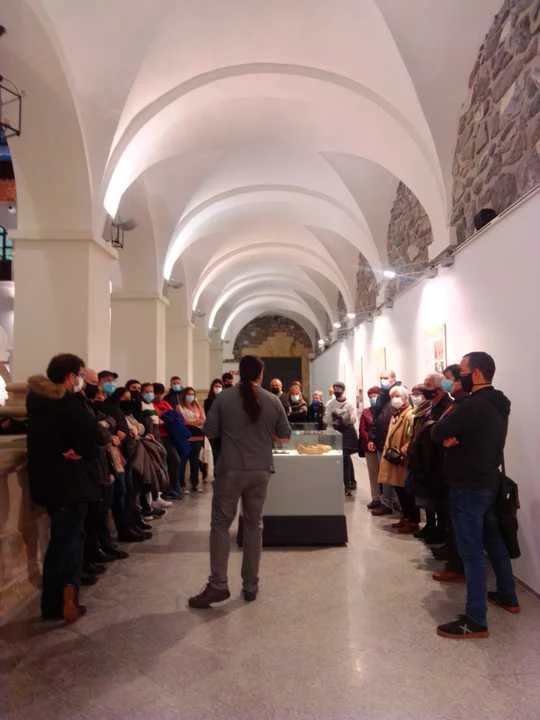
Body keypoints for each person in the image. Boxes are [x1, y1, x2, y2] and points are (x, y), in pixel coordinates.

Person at [189, 355, 291, 608]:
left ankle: (218, 584)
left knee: (221, 525)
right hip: (261, 470)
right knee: (254, 525)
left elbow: (209, 431)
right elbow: (284, 436)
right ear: (260, 374)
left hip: (231, 469)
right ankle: (251, 585)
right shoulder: (272, 400)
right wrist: (263, 435)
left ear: (239, 373)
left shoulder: (224, 398)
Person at [433, 351, 519, 639]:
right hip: (488, 482)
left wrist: (452, 438)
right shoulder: (499, 402)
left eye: (464, 371)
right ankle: (507, 595)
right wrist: (457, 437)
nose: (460, 376)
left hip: (468, 485)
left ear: (478, 374)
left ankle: (475, 619)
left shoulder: (472, 406)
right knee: (493, 541)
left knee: (471, 553)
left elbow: (438, 432)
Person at [27, 354, 101, 622]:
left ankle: (51, 604)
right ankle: (66, 603)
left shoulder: (38, 402)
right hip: (70, 483)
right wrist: (83, 452)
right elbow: (93, 436)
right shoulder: (67, 403)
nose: (81, 381)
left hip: (48, 482)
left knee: (59, 543)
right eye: (80, 375)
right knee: (69, 543)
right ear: (70, 376)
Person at [377, 385, 416, 532]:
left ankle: (412, 521)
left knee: (407, 492)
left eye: (398, 396)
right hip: (394, 459)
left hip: (402, 459)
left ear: (406, 398)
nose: (395, 399)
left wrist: (403, 451)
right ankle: (405, 517)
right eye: (392, 397)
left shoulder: (409, 415)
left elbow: (411, 437)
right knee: (400, 490)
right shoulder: (396, 414)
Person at [369, 370, 401, 516]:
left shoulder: (399, 394)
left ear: (393, 378)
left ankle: (395, 503)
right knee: (385, 475)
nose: (383, 380)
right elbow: (376, 419)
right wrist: (372, 437)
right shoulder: (382, 396)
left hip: (394, 442)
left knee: (394, 476)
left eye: (386, 378)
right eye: (381, 378)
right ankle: (386, 502)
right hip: (382, 441)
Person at [324, 382, 358, 497]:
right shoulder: (330, 403)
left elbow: (353, 419)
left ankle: (348, 484)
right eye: (335, 388)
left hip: (348, 433)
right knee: (343, 458)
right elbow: (327, 419)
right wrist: (334, 416)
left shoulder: (349, 403)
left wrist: (344, 416)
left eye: (339, 388)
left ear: (343, 389)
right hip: (336, 432)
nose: (337, 390)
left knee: (345, 457)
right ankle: (349, 482)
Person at [178, 386, 206, 493]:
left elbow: (203, 420)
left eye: (192, 394)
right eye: (188, 394)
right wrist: (195, 422)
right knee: (183, 461)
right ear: (184, 395)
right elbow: (183, 421)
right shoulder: (179, 407)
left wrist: (192, 422)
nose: (191, 396)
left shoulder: (198, 407)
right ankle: (182, 484)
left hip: (198, 437)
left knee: (195, 461)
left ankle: (195, 484)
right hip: (186, 437)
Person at [358, 386, 382, 509]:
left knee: (385, 474)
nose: (373, 398)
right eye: (371, 396)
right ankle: (376, 498)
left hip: (382, 446)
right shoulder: (366, 412)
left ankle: (387, 500)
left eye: (375, 396)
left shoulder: (384, 411)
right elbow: (362, 430)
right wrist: (369, 441)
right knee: (373, 474)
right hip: (369, 447)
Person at [205, 379, 224, 468]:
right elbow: (208, 414)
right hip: (213, 430)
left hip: (224, 430)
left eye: (219, 386)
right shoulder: (208, 401)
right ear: (212, 388)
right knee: (215, 452)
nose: (218, 388)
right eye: (216, 386)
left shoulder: (225, 400)